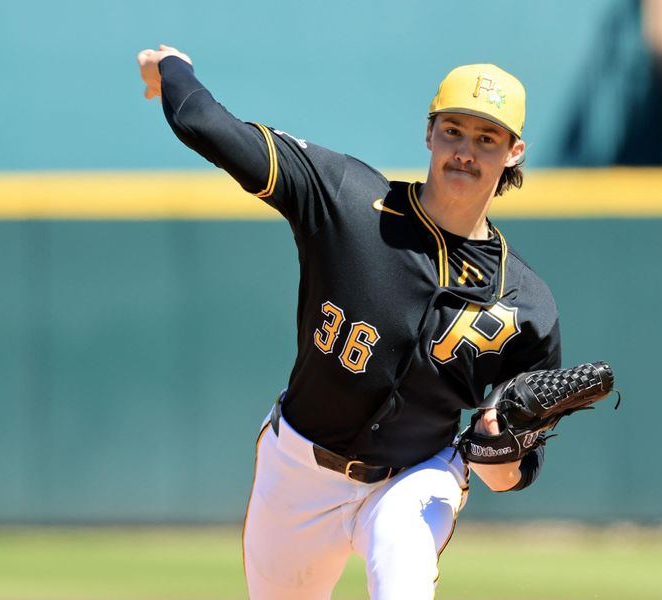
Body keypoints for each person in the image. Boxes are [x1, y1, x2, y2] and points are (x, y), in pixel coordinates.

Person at [137, 45, 561, 599]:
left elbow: (510, 476)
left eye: (487, 138)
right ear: (429, 134)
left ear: (514, 152)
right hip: (297, 472)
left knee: (402, 582)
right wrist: (171, 66)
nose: (465, 151)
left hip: (415, 478)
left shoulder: (525, 304)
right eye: (454, 130)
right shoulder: (344, 197)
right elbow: (202, 121)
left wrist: (495, 446)